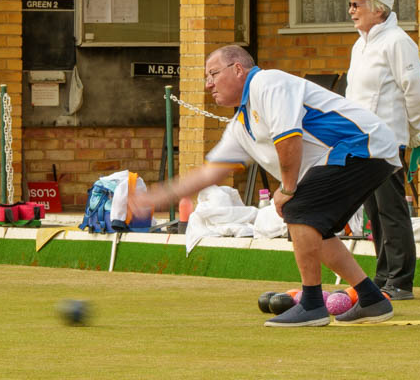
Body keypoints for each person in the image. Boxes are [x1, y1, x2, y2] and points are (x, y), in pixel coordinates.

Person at [128, 45, 402, 327]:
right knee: (314, 226)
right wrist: (159, 196)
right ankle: (372, 299)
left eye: (212, 73)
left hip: (364, 144)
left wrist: (288, 189)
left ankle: (311, 305)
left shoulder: (267, 82)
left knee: (299, 209)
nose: (208, 84)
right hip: (356, 153)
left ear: (237, 69)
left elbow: (289, 138)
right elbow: (211, 173)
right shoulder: (240, 124)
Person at [338, 0, 420, 301]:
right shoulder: (360, 44)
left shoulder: (397, 41)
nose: (351, 10)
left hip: (387, 138)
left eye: (357, 4)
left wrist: (413, 130)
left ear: (378, 9)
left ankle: (401, 281)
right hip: (361, 140)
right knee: (374, 211)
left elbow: (414, 90)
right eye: (351, 3)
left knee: (391, 209)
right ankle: (383, 276)